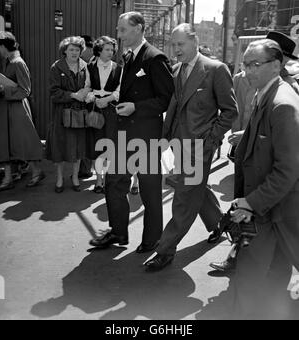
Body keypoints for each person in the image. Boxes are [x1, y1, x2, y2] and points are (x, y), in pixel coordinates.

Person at [144, 23, 238, 272]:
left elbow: (230, 111)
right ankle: (219, 222)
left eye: (180, 44)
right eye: (173, 44)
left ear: (194, 41)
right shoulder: (176, 70)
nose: (175, 49)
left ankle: (164, 250)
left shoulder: (215, 70)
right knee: (197, 188)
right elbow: (174, 109)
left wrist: (211, 139)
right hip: (178, 145)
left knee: (184, 198)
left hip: (199, 148)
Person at [210, 30, 299, 273]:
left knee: (269, 262)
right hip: (263, 197)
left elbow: (287, 162)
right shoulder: (264, 89)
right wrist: (247, 136)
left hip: (274, 198)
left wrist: (252, 201)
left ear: (278, 63)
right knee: (272, 263)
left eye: (255, 64)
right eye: (246, 64)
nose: (247, 71)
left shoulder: (284, 97)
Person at [89, 11, 174, 252]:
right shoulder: (128, 56)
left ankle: (152, 239)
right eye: (118, 29)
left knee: (149, 190)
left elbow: (166, 99)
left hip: (146, 136)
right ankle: (117, 233)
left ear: (138, 28)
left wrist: (136, 107)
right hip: (124, 133)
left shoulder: (155, 58)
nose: (119, 34)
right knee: (114, 182)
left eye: (123, 29)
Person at [0, 31, 45, 192]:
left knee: (25, 141)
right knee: (7, 143)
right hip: (7, 109)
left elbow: (25, 90)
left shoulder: (17, 62)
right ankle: (9, 176)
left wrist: (4, 91)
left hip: (17, 108)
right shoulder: (9, 61)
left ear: (4, 46)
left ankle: (36, 172)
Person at [46, 36, 90, 193]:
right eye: (71, 49)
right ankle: (59, 178)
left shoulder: (85, 66)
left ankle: (75, 177)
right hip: (61, 114)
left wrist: (85, 92)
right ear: (64, 51)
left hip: (79, 113)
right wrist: (72, 95)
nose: (74, 52)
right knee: (60, 147)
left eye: (77, 50)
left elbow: (89, 87)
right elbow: (53, 92)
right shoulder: (56, 67)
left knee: (78, 147)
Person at [85, 36, 122, 194]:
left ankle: (108, 179)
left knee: (110, 145)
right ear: (99, 50)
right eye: (107, 49)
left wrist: (107, 99)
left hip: (111, 110)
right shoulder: (90, 67)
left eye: (112, 50)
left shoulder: (119, 68)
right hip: (95, 109)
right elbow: (86, 87)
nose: (111, 52)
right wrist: (92, 97)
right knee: (96, 145)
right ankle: (98, 181)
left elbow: (120, 90)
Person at [79, 34, 95, 179]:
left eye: (82, 48)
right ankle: (85, 168)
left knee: (92, 138)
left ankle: (89, 169)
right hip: (84, 106)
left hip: (95, 107)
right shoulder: (82, 63)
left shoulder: (96, 62)